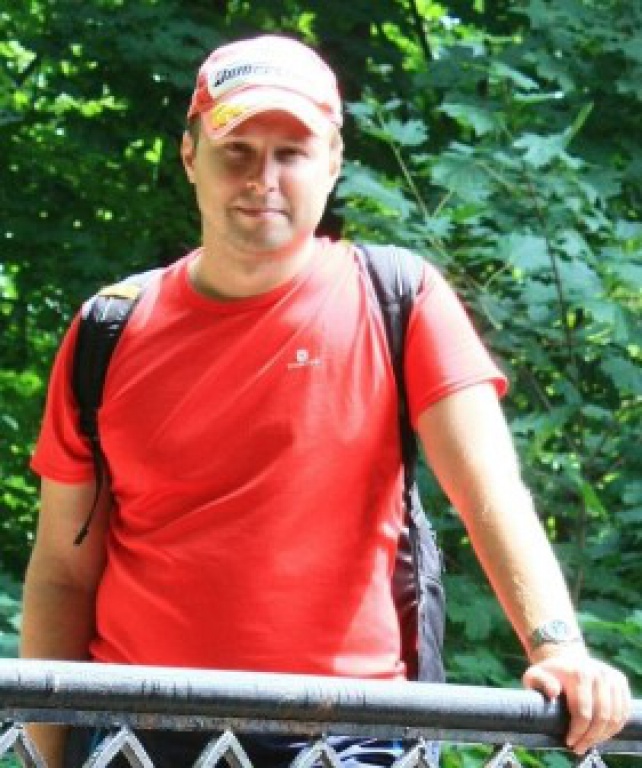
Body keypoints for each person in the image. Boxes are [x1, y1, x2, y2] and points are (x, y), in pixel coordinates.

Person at [20, 34, 630, 767]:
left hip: (346, 735)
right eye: (237, 150)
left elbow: (491, 492)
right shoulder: (108, 330)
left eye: (291, 153)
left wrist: (558, 647)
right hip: (138, 736)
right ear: (190, 157)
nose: (263, 179)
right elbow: (62, 571)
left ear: (333, 162)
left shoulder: (399, 298)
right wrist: (44, 755)